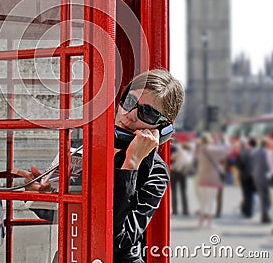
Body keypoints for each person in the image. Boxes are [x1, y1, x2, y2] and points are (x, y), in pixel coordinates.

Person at [15, 68, 184, 263]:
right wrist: (41, 196)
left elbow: (119, 240)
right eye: (129, 102)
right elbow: (68, 218)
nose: (129, 115)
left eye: (147, 113)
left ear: (163, 127)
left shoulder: (156, 170)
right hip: (72, 256)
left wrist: (131, 164)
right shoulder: (87, 144)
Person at [195, 132, 230, 228]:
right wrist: (226, 140)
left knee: (203, 201)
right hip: (213, 179)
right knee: (211, 201)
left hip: (202, 177)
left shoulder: (201, 150)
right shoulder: (213, 150)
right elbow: (226, 151)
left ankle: (200, 221)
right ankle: (209, 222)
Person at [251, 137, 272, 223]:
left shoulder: (254, 152)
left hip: (256, 176)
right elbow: (269, 165)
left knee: (261, 196)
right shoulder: (266, 152)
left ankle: (264, 214)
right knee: (266, 197)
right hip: (264, 176)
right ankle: (265, 215)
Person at [235, 137, 256, 218]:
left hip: (244, 176)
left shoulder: (241, 153)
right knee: (252, 194)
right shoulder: (256, 153)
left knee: (246, 193)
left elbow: (238, 166)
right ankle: (248, 210)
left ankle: (247, 210)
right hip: (254, 175)